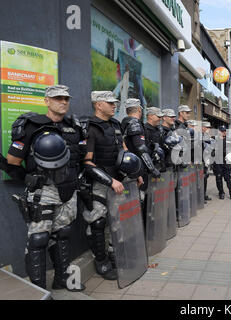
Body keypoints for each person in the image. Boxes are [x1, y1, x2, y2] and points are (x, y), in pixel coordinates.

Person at [0, 85, 86, 291]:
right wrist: (30, 181)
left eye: (66, 98)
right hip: (43, 191)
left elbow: (80, 158)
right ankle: (37, 290)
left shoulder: (74, 126)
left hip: (69, 189)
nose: (63, 102)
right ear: (46, 101)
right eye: (57, 98)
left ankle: (62, 280)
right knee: (39, 239)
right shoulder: (30, 125)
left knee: (64, 233)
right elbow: (12, 161)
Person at [81, 91, 142, 281]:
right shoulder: (90, 128)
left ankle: (115, 256)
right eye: (110, 103)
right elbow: (87, 162)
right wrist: (110, 181)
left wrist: (135, 173)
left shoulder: (115, 124)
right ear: (98, 105)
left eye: (114, 103)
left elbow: (123, 150)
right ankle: (101, 262)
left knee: (117, 221)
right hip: (100, 184)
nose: (114, 106)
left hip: (119, 180)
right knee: (98, 223)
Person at [121, 98, 160, 179]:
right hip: (135, 167)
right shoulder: (135, 123)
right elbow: (140, 148)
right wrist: (152, 169)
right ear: (139, 109)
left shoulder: (124, 122)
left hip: (129, 165)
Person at [212, 126, 231, 200]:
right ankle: (221, 192)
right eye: (222, 131)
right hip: (217, 162)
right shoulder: (214, 140)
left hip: (226, 162)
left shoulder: (230, 140)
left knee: (229, 177)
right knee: (219, 177)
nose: (224, 132)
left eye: (225, 131)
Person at [202, 121, 213, 202]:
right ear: (203, 127)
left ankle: (204, 194)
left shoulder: (207, 136)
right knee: (202, 179)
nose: (209, 129)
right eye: (207, 127)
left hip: (207, 160)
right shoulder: (200, 136)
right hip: (202, 160)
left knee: (205, 178)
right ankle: (201, 196)